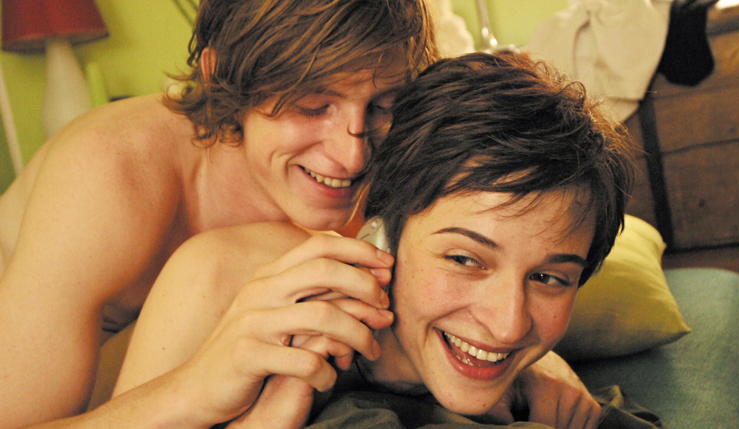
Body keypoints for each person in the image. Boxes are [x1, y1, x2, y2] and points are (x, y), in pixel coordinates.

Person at [113, 50, 637, 428]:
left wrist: (534, 361)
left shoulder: (549, 393)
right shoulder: (221, 272)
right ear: (378, 238)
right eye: (464, 259)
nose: (508, 324)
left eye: (548, 277)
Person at [0, 0, 435, 426]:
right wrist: (191, 390)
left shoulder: (388, 169)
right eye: (311, 105)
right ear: (220, 75)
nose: (353, 157)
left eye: (384, 105)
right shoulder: (111, 171)